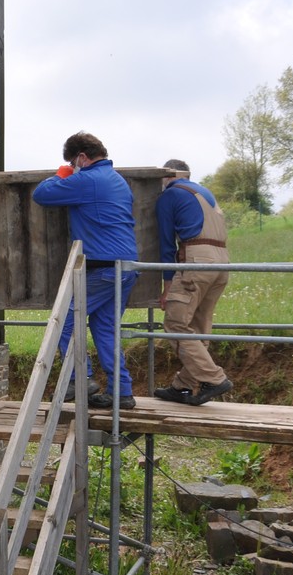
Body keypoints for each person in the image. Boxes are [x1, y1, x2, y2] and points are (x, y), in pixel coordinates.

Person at [32, 132, 139, 409]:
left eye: (73, 161)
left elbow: (41, 194)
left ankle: (81, 378)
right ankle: (121, 392)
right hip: (126, 267)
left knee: (64, 321)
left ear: (81, 157)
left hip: (103, 267)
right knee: (105, 328)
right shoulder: (117, 180)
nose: (72, 166)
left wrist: (63, 172)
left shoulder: (87, 179)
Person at [153, 159, 233, 405]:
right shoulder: (204, 192)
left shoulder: (170, 195)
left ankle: (214, 378)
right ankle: (183, 386)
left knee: (176, 324)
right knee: (199, 326)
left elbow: (166, 243)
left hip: (196, 261)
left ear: (166, 176)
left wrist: (167, 285)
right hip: (222, 262)